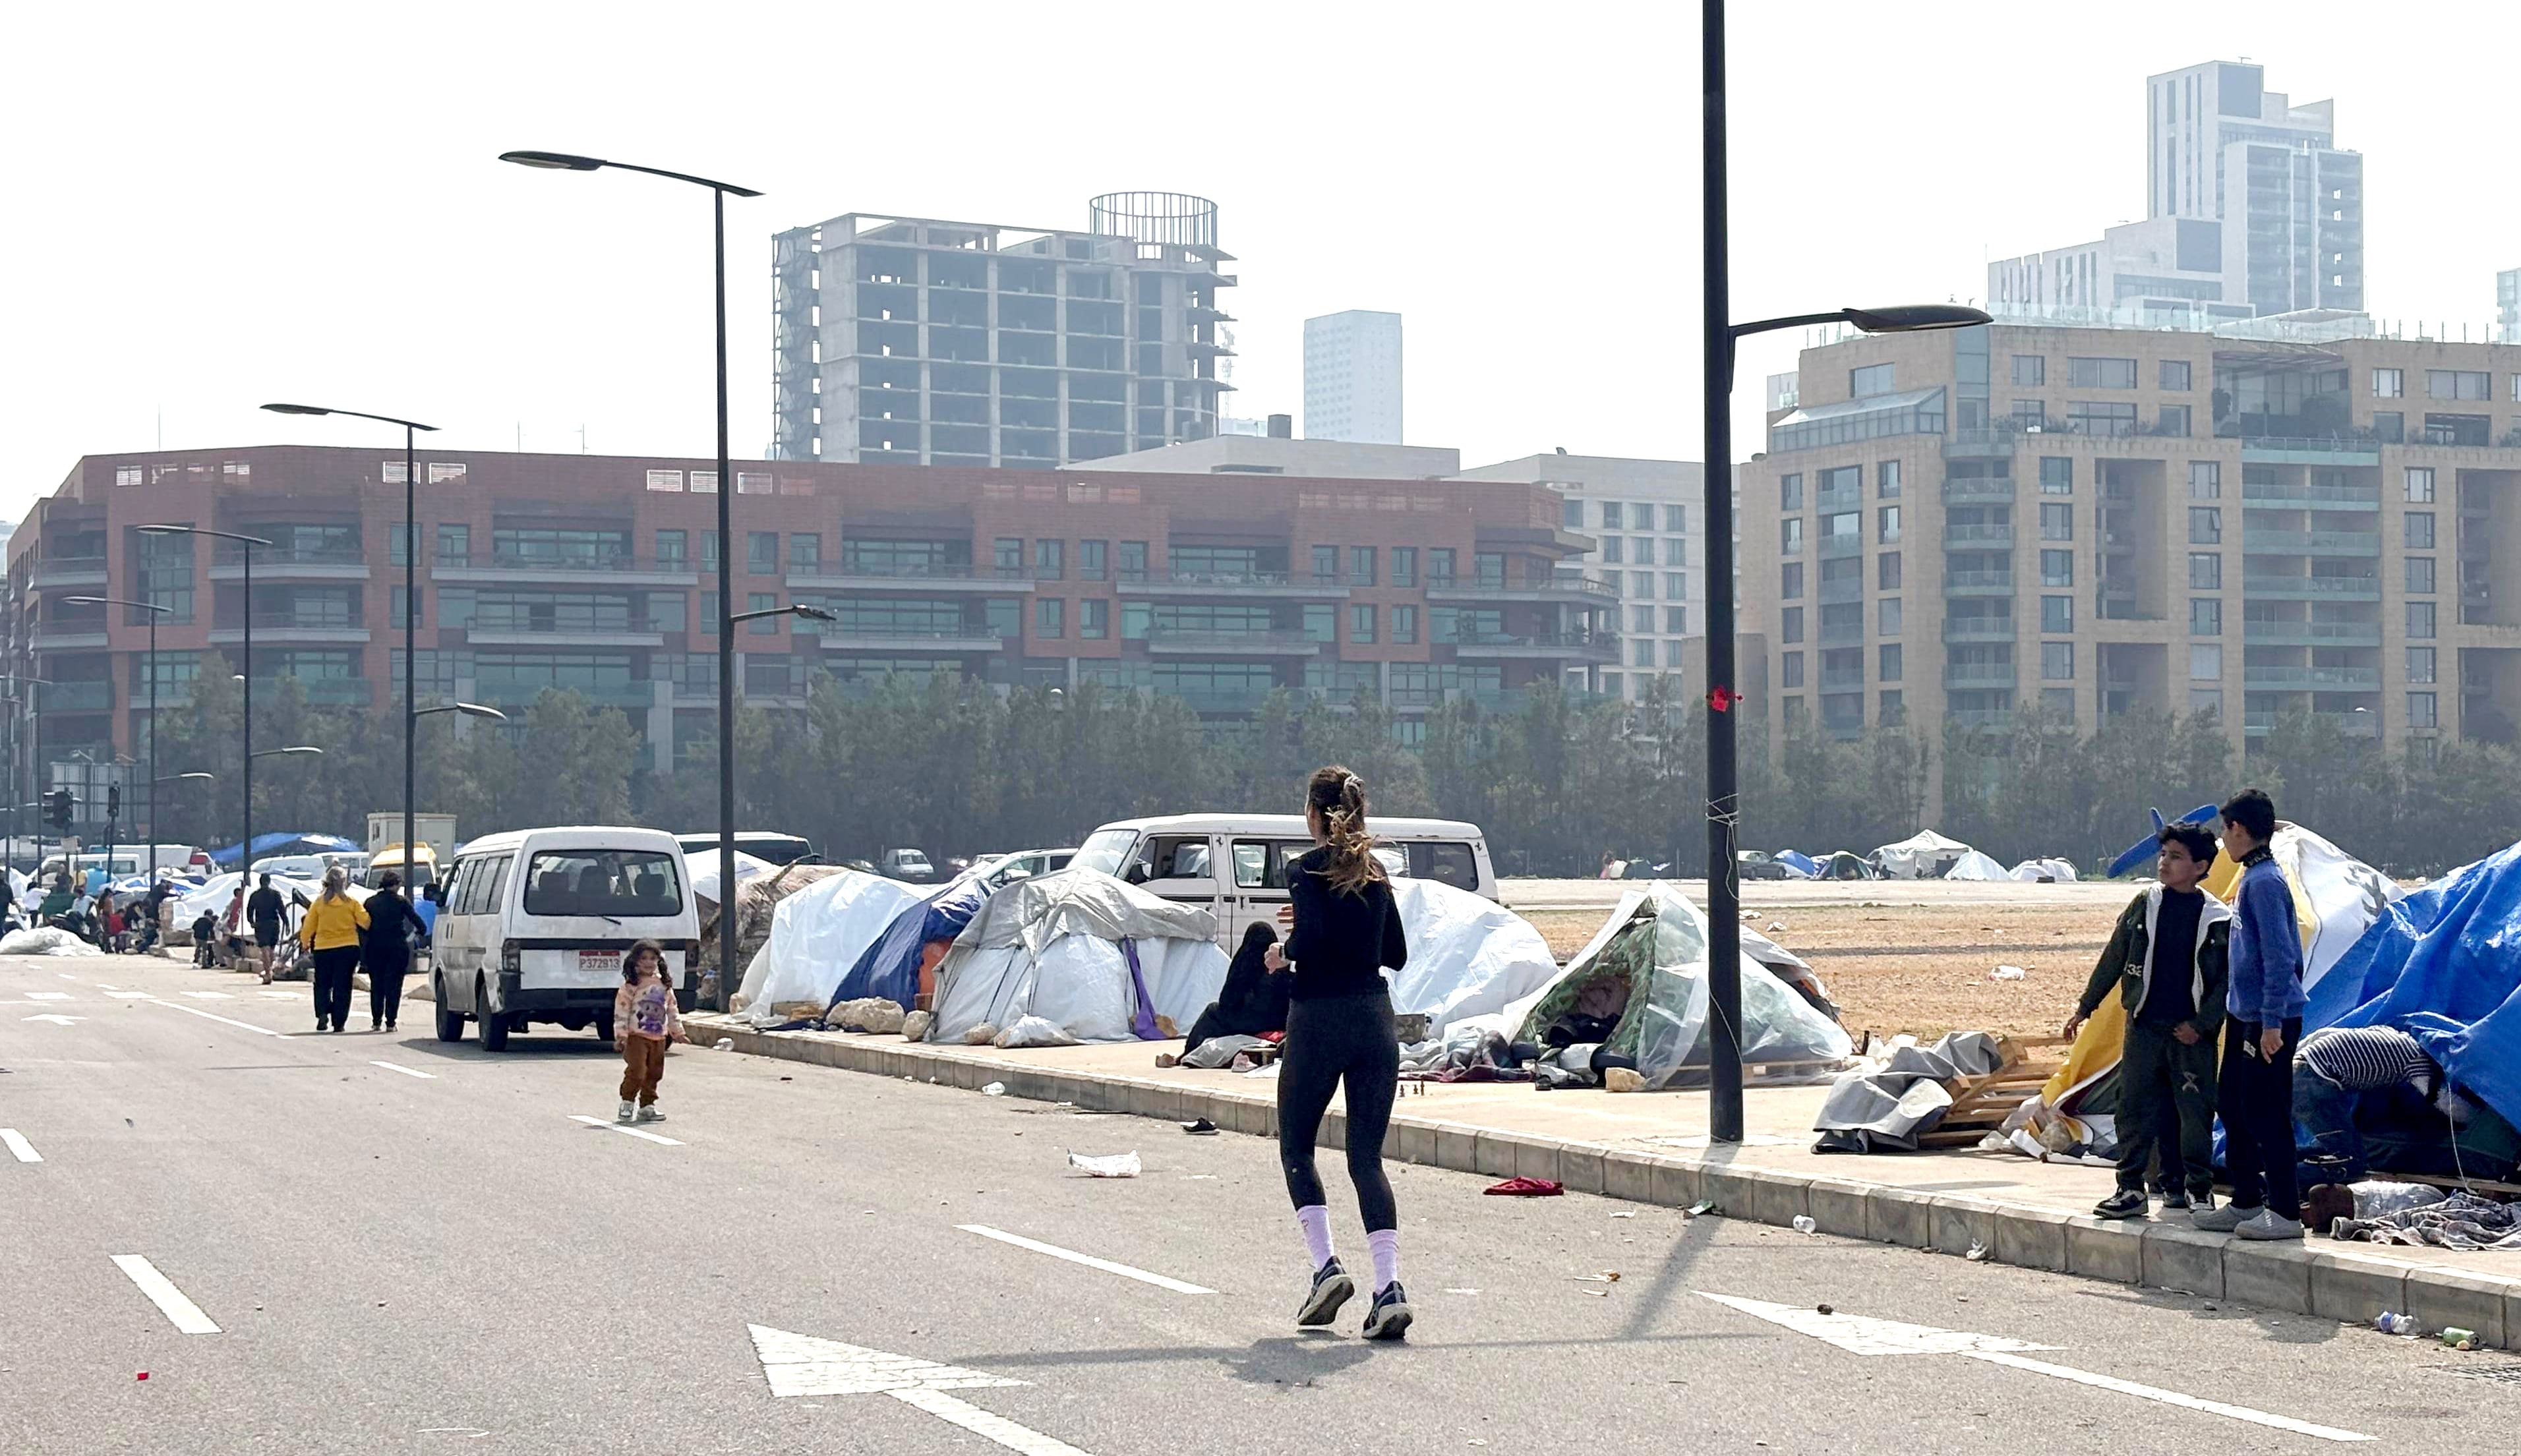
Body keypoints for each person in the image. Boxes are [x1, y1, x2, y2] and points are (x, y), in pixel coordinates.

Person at [1266, 765, 1413, 1341]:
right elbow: (1395, 952)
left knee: (1297, 1147)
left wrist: (1286, 948)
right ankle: (1388, 1288)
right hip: (1375, 1021)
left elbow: (1315, 940)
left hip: (1320, 1018)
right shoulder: (1375, 874)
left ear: (1312, 814)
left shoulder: (1304, 870)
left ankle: (1326, 1266)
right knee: (1366, 1160)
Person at [2065, 823, 2231, 1219]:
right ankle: (2130, 1189)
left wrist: (2202, 1025)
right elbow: (2114, 957)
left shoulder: (2217, 917)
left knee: (2193, 1112)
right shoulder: (2144, 905)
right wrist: (2085, 1008)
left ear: (2200, 866)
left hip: (2191, 1037)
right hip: (2143, 1028)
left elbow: (2226, 983)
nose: (2164, 864)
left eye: (2176, 857)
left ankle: (2196, 1189)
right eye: (2163, 855)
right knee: (2135, 1108)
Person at [2195, 788, 2309, 1240]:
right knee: (2235, 1105)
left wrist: (2272, 1022)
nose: (2223, 839)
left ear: (2239, 829)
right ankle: (2245, 1199)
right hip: (2246, 1014)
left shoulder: (2265, 882)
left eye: (2225, 829)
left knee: (2266, 1110)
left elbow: (2281, 957)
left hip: (2267, 1018)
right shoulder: (2253, 877)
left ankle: (2284, 1210)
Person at [2294, 1024, 2466, 1185]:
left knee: (2329, 1147)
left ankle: (2268, 1161)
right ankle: (2273, 1182)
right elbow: (2444, 1101)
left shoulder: (2391, 1033)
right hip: (2314, 1084)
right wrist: (2475, 1119)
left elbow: (2324, 1033)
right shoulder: (2418, 1061)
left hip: (2297, 1070)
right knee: (2351, 1162)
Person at [1161, 921, 1290, 1067]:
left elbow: (1227, 1000)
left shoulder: (1245, 965)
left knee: (1212, 1011)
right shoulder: (1282, 967)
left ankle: (1187, 1053)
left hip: (1245, 1023)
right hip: (1279, 1021)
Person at [614, 941, 686, 1122]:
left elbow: (672, 1009)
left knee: (655, 1072)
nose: (649, 962)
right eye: (644, 958)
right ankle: (627, 1103)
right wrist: (621, 1035)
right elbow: (621, 1011)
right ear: (635, 961)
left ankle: (647, 1106)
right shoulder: (630, 986)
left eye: (653, 958)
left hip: (659, 1037)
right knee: (637, 1071)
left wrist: (677, 1031)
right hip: (636, 1036)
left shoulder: (664, 986)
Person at [297, 865, 370, 1034]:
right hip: (348, 948)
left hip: (324, 949)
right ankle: (339, 1023)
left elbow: (308, 926)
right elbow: (365, 922)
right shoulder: (352, 902)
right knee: (343, 986)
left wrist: (305, 943)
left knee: (322, 984)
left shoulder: (319, 903)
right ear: (344, 882)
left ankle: (323, 1013)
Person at [359, 871, 425, 1032]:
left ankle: (376, 1021)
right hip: (397, 947)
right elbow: (420, 924)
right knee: (394, 985)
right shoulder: (401, 902)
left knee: (377, 984)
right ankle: (391, 1022)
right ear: (396, 885)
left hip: (375, 948)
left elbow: (363, 927)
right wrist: (412, 936)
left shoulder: (370, 902)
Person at [247, 873, 285, 984]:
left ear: (260, 882)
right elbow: (281, 910)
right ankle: (269, 971)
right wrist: (286, 922)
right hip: (274, 923)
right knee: (272, 949)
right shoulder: (275, 894)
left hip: (261, 924)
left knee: (265, 950)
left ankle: (268, 974)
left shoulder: (255, 895)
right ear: (269, 882)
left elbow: (250, 910)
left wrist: (252, 922)